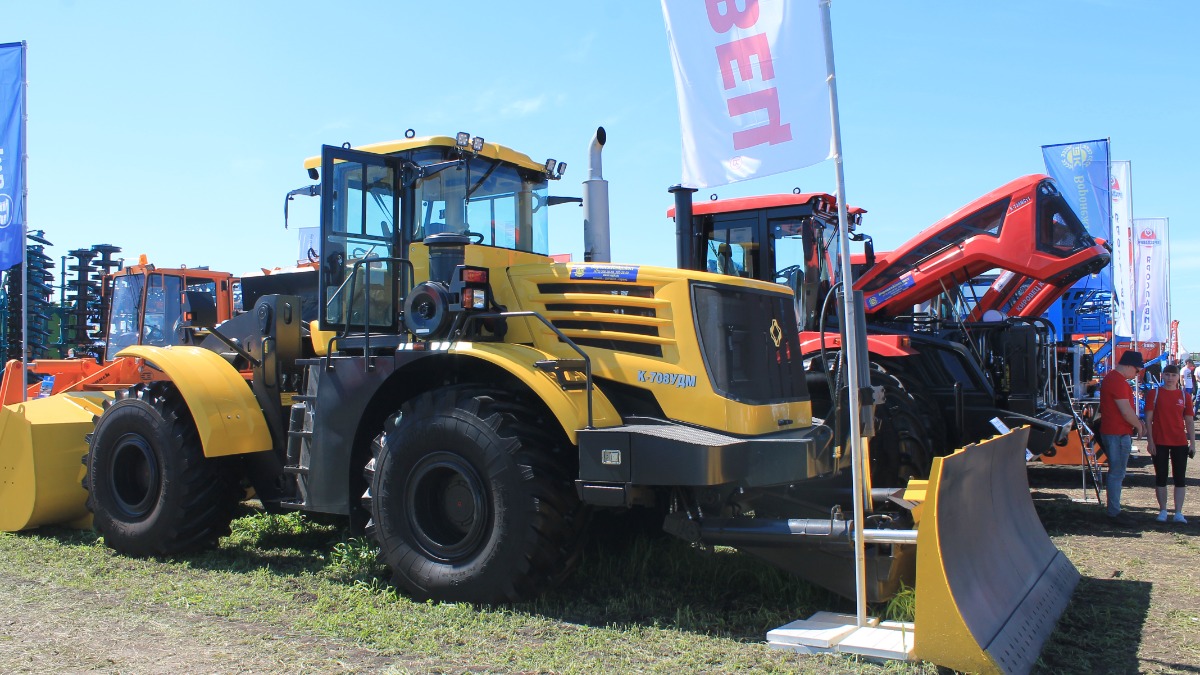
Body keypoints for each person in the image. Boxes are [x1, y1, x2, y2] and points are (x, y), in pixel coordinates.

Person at [1099, 350, 1145, 525]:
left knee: (1116, 473)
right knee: (1117, 473)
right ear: (1128, 365)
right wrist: (1139, 425)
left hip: (1115, 432)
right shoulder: (1117, 381)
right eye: (1137, 370)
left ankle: (1114, 510)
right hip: (1117, 433)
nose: (1137, 374)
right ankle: (1114, 512)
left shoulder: (1115, 380)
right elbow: (1125, 411)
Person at [1145, 364, 1194, 523]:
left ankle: (1179, 512)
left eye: (1173, 375)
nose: (1170, 378)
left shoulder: (1184, 396)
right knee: (1161, 476)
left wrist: (1192, 442)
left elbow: (1189, 420)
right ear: (1162, 376)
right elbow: (1148, 419)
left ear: (1178, 377)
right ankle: (1163, 510)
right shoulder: (1155, 393)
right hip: (1159, 441)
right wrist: (1150, 441)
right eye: (1167, 375)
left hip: (1179, 441)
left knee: (1180, 478)